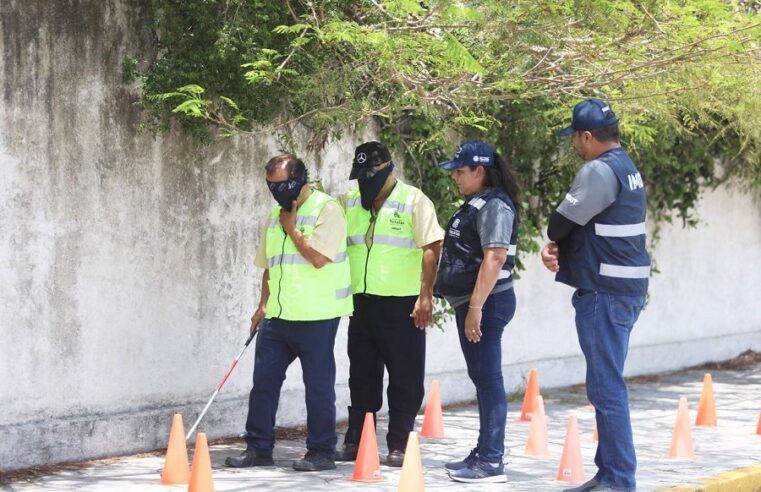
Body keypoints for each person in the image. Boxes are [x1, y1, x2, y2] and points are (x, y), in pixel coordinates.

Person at [541, 99, 650, 492]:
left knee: (606, 388)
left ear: (587, 136)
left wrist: (555, 243)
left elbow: (560, 223)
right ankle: (608, 474)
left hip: (604, 292)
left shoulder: (598, 170)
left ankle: (619, 479)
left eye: (574, 137)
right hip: (623, 289)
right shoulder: (627, 166)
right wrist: (564, 247)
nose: (574, 144)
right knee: (606, 385)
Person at [225, 154, 353, 472]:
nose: (276, 192)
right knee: (264, 384)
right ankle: (258, 449)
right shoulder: (274, 216)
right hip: (278, 317)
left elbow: (319, 258)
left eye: (282, 185)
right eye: (271, 186)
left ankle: (322, 452)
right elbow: (270, 267)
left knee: (318, 386)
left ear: (298, 179)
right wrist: (262, 305)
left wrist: (292, 229)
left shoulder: (327, 209)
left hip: (316, 316)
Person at [335, 141, 444, 467]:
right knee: (362, 377)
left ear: (388, 170)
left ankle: (399, 444)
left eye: (370, 175)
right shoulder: (350, 201)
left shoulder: (413, 200)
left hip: (403, 306)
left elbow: (431, 248)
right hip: (363, 304)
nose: (364, 182)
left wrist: (425, 296)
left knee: (404, 377)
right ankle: (357, 440)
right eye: (361, 176)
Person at [435, 140, 521, 483]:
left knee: (489, 380)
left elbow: (495, 257)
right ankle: (484, 451)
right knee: (482, 380)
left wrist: (475, 308)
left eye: (460, 171)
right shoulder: (477, 202)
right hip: (476, 304)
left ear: (479, 171)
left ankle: (491, 461)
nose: (455, 177)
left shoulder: (495, 206)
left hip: (488, 304)